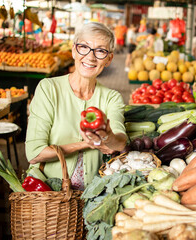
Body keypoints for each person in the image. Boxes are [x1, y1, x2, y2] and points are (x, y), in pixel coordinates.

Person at [26, 22, 127, 190]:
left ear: (109, 59)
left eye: (100, 51)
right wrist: (87, 144)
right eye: (84, 47)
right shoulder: (49, 89)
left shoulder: (112, 98)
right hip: (48, 194)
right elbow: (34, 153)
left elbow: (120, 144)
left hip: (92, 197)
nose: (90, 57)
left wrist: (109, 137)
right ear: (74, 50)